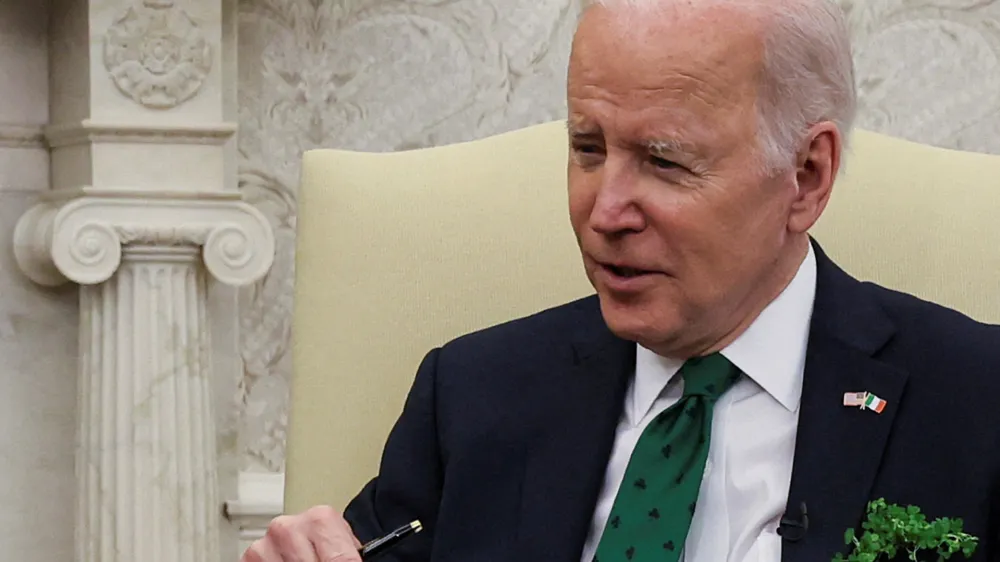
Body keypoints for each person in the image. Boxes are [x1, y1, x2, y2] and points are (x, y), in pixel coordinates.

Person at [242, 0, 1000, 560]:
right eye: (588, 148)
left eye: (664, 161)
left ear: (806, 176)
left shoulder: (975, 402)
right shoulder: (470, 397)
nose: (603, 211)